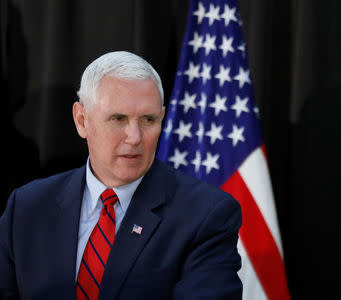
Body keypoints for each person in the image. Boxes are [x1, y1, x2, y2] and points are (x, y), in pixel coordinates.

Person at [0, 51, 242, 299]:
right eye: (118, 118)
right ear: (82, 120)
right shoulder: (27, 207)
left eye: (148, 119)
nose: (135, 137)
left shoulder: (205, 214)